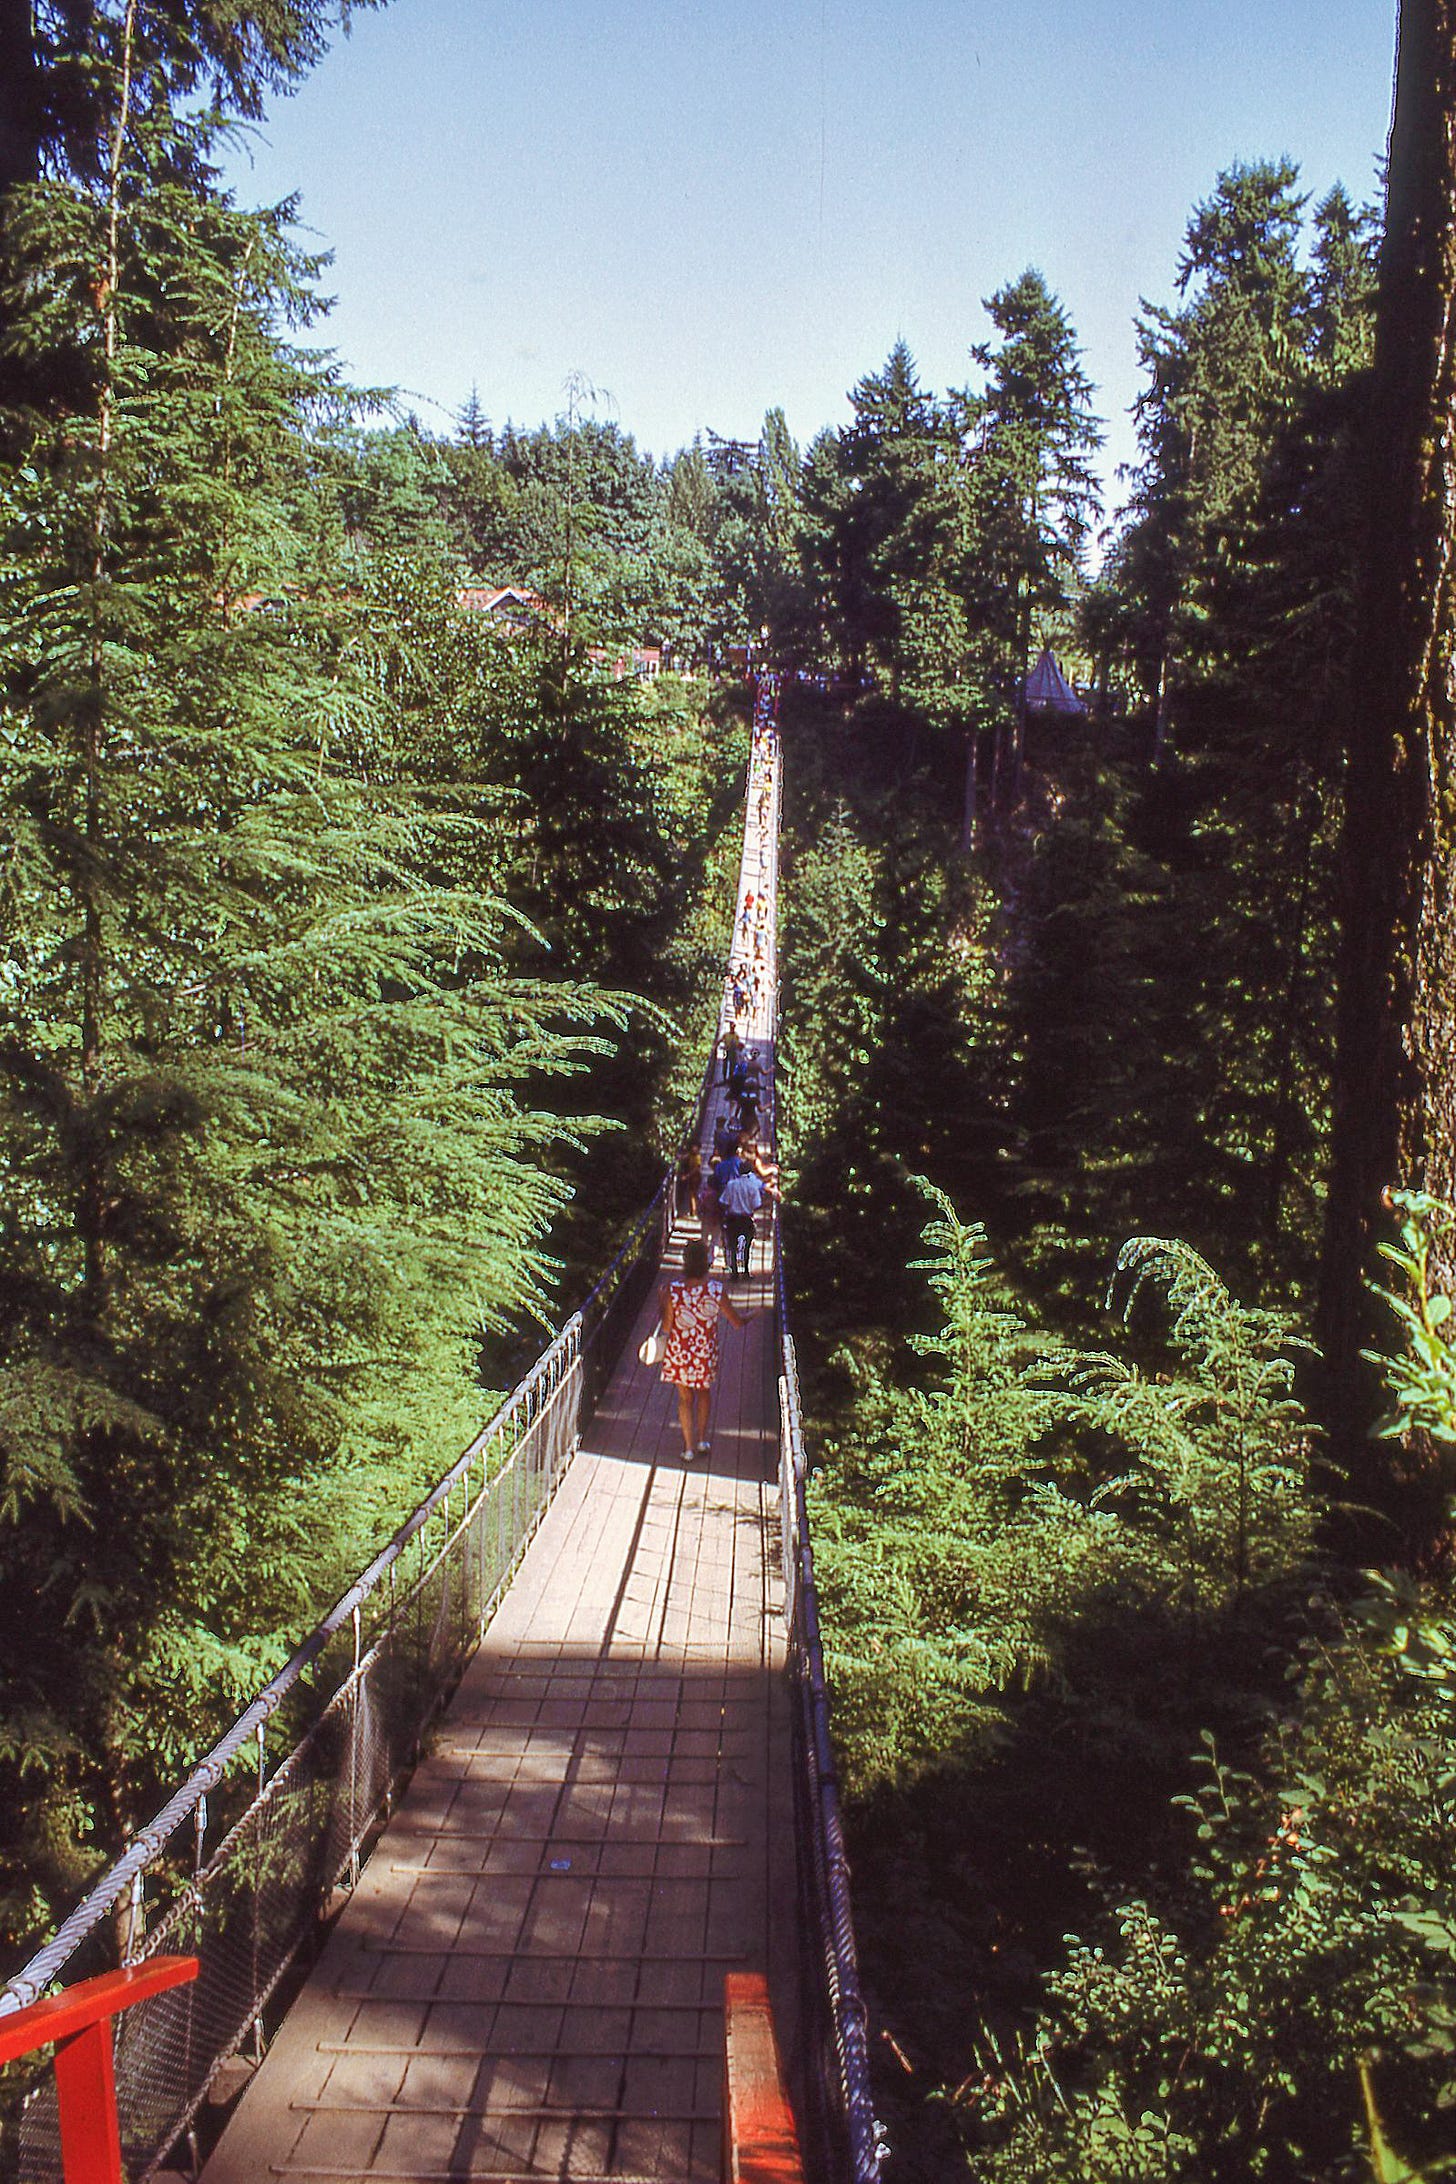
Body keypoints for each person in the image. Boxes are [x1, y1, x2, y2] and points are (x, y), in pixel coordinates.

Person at [659, 1238, 748, 1461]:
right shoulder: (716, 1290)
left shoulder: (673, 1290)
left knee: (684, 1399)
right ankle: (701, 1440)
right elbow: (736, 1322)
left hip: (679, 1351)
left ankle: (688, 1448)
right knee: (704, 1393)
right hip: (704, 1352)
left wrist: (663, 1302)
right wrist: (753, 1315)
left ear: (685, 1262)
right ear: (706, 1262)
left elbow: (667, 1326)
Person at [719, 1162, 776, 1279]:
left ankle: (734, 1273)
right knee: (747, 1246)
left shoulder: (731, 1185)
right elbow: (756, 1204)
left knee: (732, 1246)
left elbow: (724, 1201)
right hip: (746, 1219)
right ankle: (745, 1271)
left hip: (732, 1218)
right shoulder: (752, 1186)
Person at [674, 1142, 701, 1219]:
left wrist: (687, 1176)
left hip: (695, 1178)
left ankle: (694, 1212)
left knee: (693, 1194)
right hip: (691, 1178)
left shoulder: (697, 1157)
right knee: (691, 1194)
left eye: (695, 1147)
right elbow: (684, 1157)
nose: (694, 1149)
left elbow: (696, 1169)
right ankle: (693, 1211)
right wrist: (678, 1157)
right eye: (693, 1147)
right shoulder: (690, 1155)